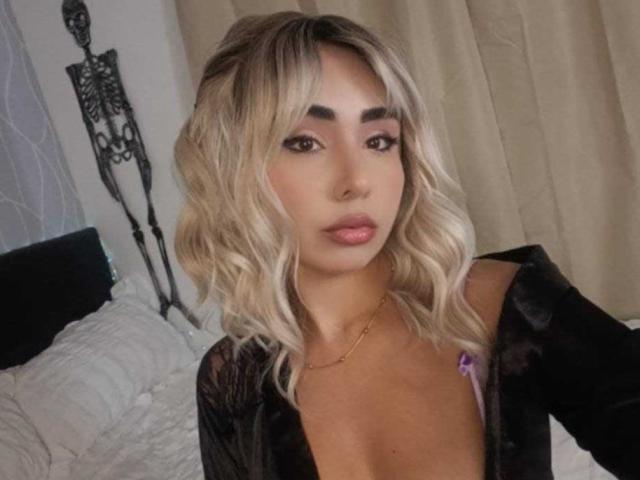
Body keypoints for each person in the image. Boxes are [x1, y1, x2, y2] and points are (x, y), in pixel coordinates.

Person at [172, 11, 640, 480]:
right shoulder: (233, 380)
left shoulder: (503, 305)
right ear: (230, 166)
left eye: (379, 141)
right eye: (304, 142)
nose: (357, 181)